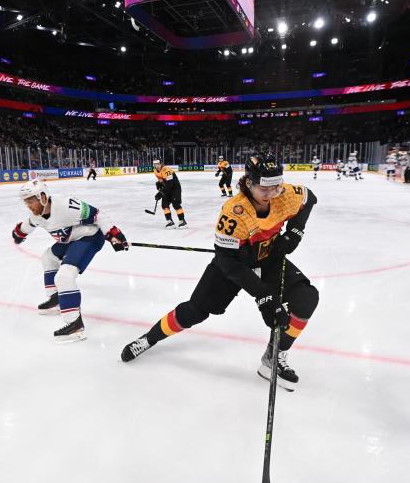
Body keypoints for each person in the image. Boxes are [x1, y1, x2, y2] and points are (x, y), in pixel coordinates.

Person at [120, 155, 320, 392]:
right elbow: (227, 261)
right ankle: (149, 338)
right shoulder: (233, 212)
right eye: (265, 187)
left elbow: (309, 198)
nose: (273, 192)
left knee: (306, 298)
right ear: (249, 183)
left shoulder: (284, 193)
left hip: (269, 259)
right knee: (194, 311)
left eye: (277, 185)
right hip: (234, 265)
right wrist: (264, 295)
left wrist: (295, 231)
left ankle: (273, 358)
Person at [11, 180, 129, 342]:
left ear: (43, 197)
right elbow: (29, 224)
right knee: (48, 257)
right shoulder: (36, 215)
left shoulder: (66, 206)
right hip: (72, 239)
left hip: (89, 237)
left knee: (65, 276)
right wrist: (19, 234)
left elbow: (98, 215)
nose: (28, 206)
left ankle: (75, 325)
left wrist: (114, 234)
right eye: (26, 202)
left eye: (31, 201)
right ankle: (56, 298)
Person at [153, 158, 187, 228]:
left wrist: (161, 192)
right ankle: (170, 221)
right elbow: (162, 181)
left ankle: (182, 221)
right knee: (164, 205)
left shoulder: (166, 169)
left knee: (176, 204)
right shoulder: (155, 171)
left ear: (161, 163)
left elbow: (170, 183)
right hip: (167, 188)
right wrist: (159, 184)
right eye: (155, 164)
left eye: (158, 164)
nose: (157, 166)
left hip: (175, 188)